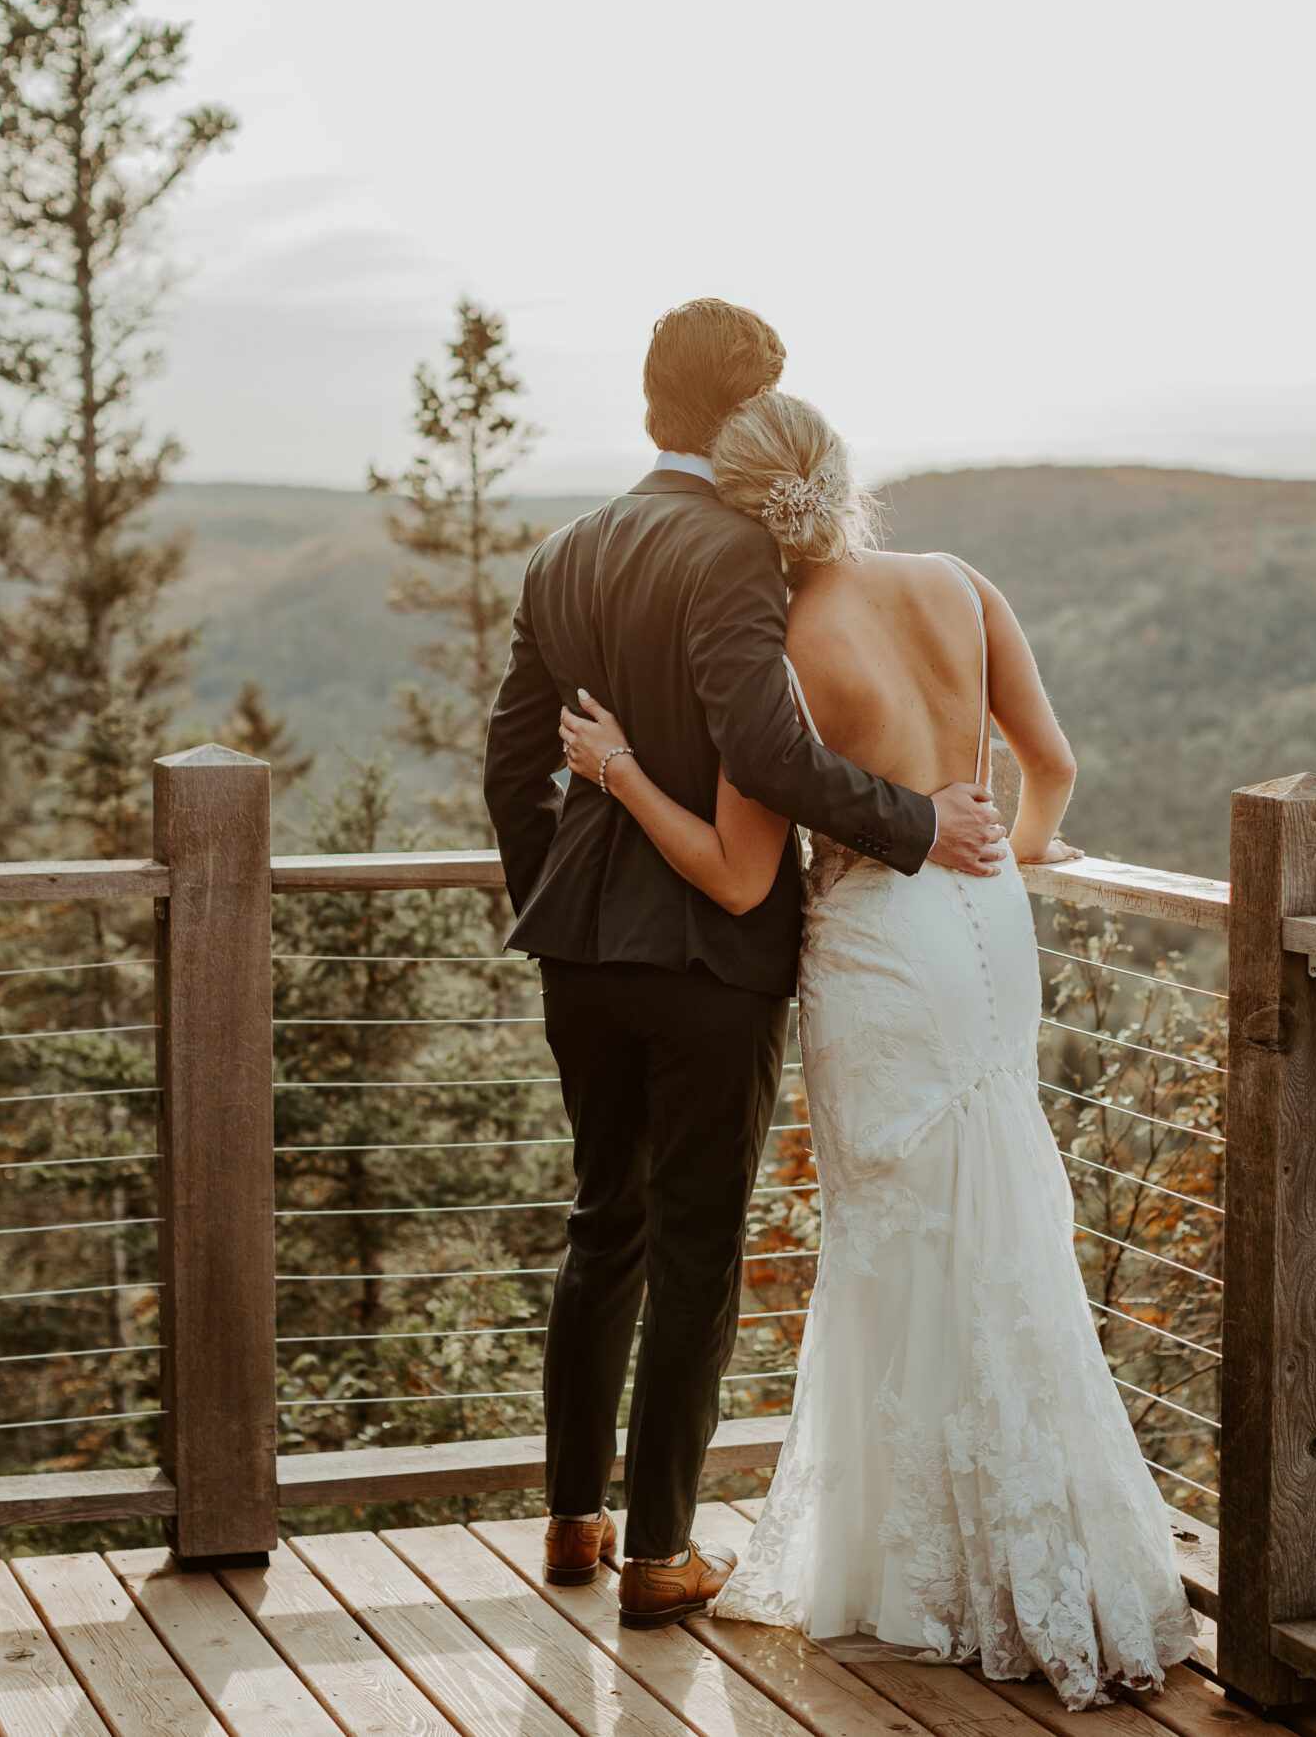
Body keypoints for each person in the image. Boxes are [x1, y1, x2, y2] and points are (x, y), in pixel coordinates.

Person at [555, 390, 1198, 1706]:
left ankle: (920, 1573)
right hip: (989, 932)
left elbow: (741, 882)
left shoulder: (777, 641)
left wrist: (619, 771)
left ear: (741, 514)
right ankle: (1044, 1550)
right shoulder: (960, 582)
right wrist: (988, 872)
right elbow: (1053, 770)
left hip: (874, 949)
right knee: (1007, 1220)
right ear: (844, 480)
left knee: (897, 1242)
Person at [483, 300, 1010, 1633]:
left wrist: (566, 886)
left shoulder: (563, 553)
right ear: (735, 418)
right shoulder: (733, 552)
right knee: (697, 1244)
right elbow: (765, 758)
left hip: (578, 945)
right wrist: (917, 823)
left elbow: (509, 770)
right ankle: (660, 1548)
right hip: (706, 953)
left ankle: (570, 1519)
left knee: (604, 1222)